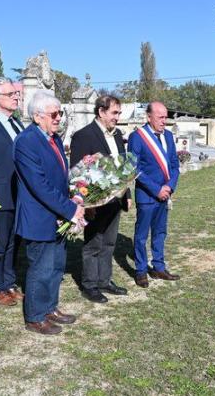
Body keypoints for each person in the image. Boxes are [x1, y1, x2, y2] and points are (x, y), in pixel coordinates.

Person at [14, 91, 85, 335]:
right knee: (41, 269)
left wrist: (76, 194)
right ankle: (35, 316)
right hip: (39, 216)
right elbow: (39, 185)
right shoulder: (27, 141)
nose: (58, 118)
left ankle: (50, 308)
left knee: (55, 267)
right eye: (54, 114)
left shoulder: (52, 138)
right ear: (37, 116)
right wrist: (71, 209)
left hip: (57, 215)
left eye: (60, 113)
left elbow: (60, 178)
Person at [70, 95, 130, 303]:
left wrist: (127, 195)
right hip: (95, 202)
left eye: (119, 113)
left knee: (109, 242)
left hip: (115, 200)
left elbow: (123, 168)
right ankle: (90, 284)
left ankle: (105, 280)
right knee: (94, 243)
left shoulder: (117, 134)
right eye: (114, 113)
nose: (118, 117)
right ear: (101, 112)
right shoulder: (83, 136)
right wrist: (85, 205)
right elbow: (77, 174)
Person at [127, 101, 181, 288]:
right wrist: (156, 189)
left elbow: (174, 164)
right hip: (147, 196)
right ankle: (141, 270)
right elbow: (134, 168)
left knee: (160, 232)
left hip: (165, 194)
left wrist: (169, 186)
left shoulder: (168, 136)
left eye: (165, 117)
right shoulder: (137, 137)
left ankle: (158, 266)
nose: (164, 121)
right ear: (148, 117)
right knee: (142, 235)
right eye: (160, 117)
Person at [0, 77, 24, 306]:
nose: (16, 97)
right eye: (11, 94)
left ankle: (9, 282)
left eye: (16, 93)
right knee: (0, 241)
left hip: (20, 191)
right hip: (0, 192)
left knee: (14, 240)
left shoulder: (17, 123)